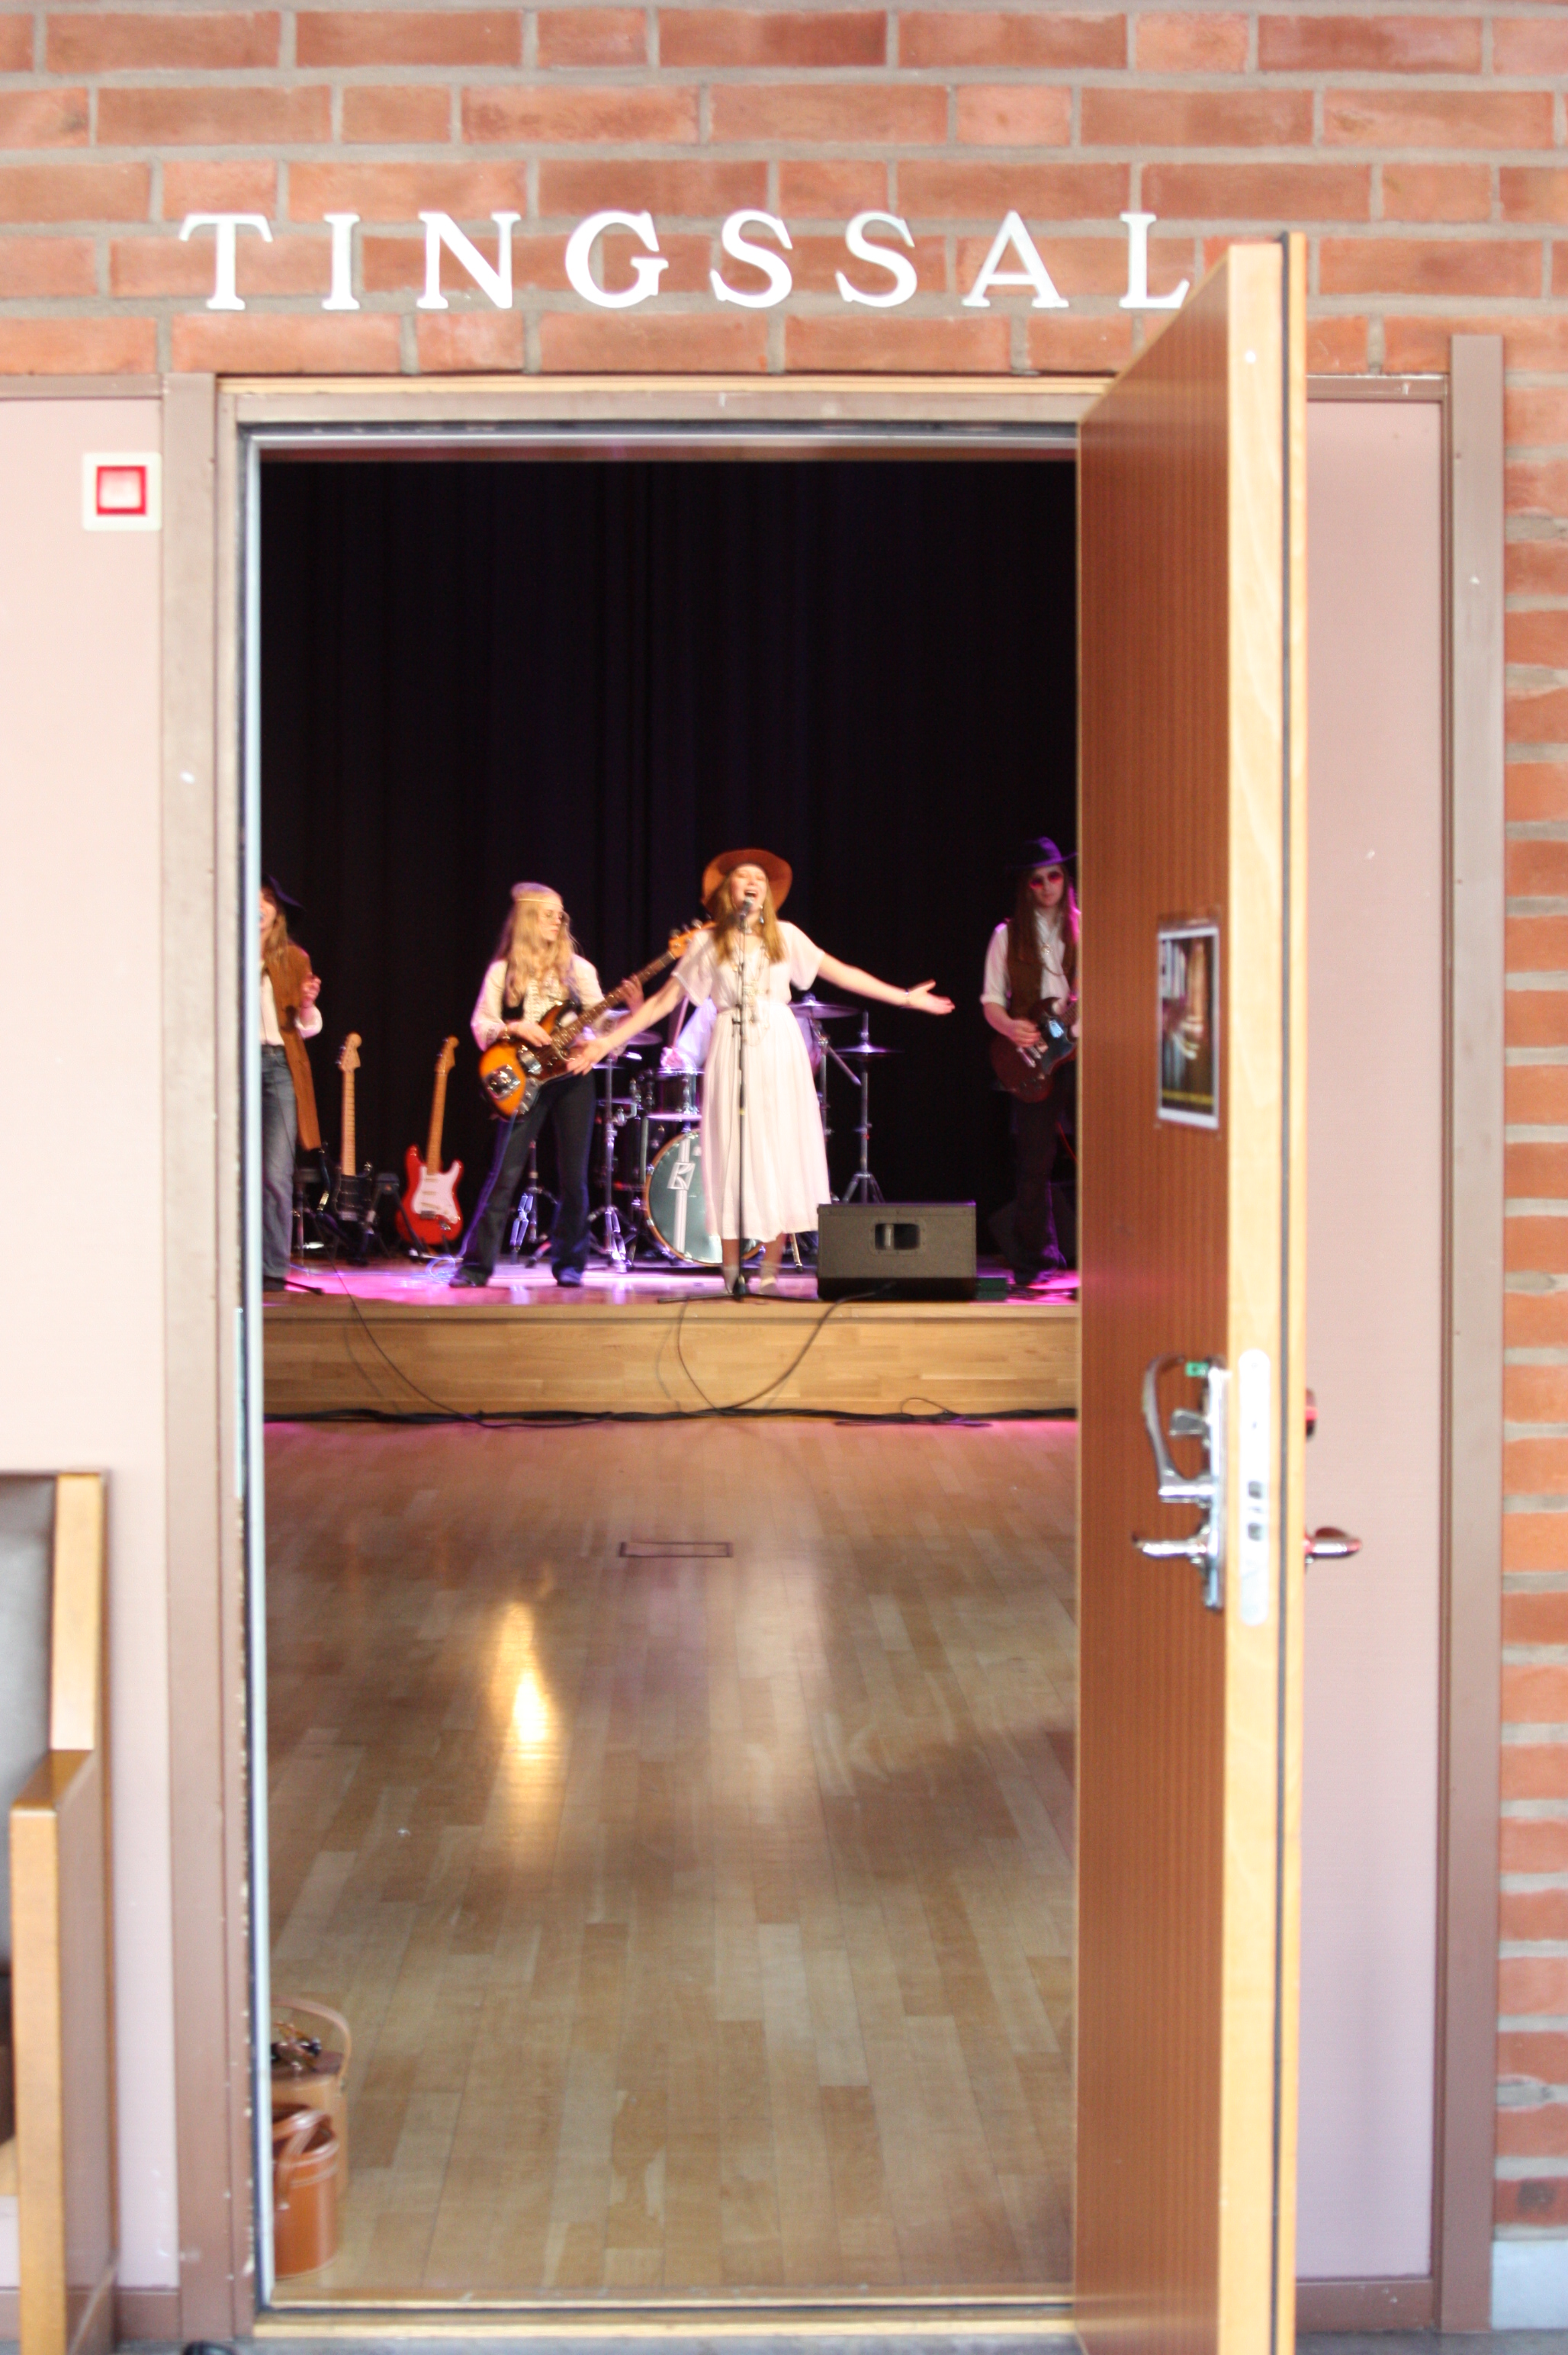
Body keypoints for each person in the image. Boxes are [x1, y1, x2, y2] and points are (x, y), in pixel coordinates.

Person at [571, 848, 953, 1297]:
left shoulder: (786, 936)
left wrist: (905, 997)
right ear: (727, 891)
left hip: (779, 1048)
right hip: (730, 1046)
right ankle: (731, 1271)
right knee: (731, 1155)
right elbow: (663, 1001)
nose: (753, 882)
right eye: (743, 876)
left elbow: (843, 974)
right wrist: (605, 1042)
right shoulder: (706, 944)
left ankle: (770, 1270)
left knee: (780, 1152)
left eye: (760, 877)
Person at [451, 882, 641, 1289]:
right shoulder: (503, 971)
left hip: (572, 1077)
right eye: (549, 913)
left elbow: (605, 1030)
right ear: (527, 919)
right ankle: (474, 1266)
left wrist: (634, 1010)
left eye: (561, 914)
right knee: (505, 1172)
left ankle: (570, 1263)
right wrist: (515, 1027)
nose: (559, 920)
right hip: (525, 1077)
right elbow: (481, 1024)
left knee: (574, 1176)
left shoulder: (580, 970)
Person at [981, 837, 1079, 1289]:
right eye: (1037, 880)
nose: (1047, 886)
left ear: (1066, 878)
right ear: (1026, 886)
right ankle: (1034, 1261)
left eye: (1054, 875)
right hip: (1032, 1056)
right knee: (1035, 1160)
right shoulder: (1006, 935)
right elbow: (990, 1001)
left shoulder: (1084, 928)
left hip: (1081, 1051)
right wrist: (1009, 1027)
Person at [259, 878, 323, 1292]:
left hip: (279, 1065)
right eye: (253, 899)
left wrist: (307, 1005)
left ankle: (271, 1268)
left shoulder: (295, 959)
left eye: (266, 900)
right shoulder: (225, 953)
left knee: (275, 1172)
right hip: (234, 1067)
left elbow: (306, 1026)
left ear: (277, 913)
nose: (260, 906)